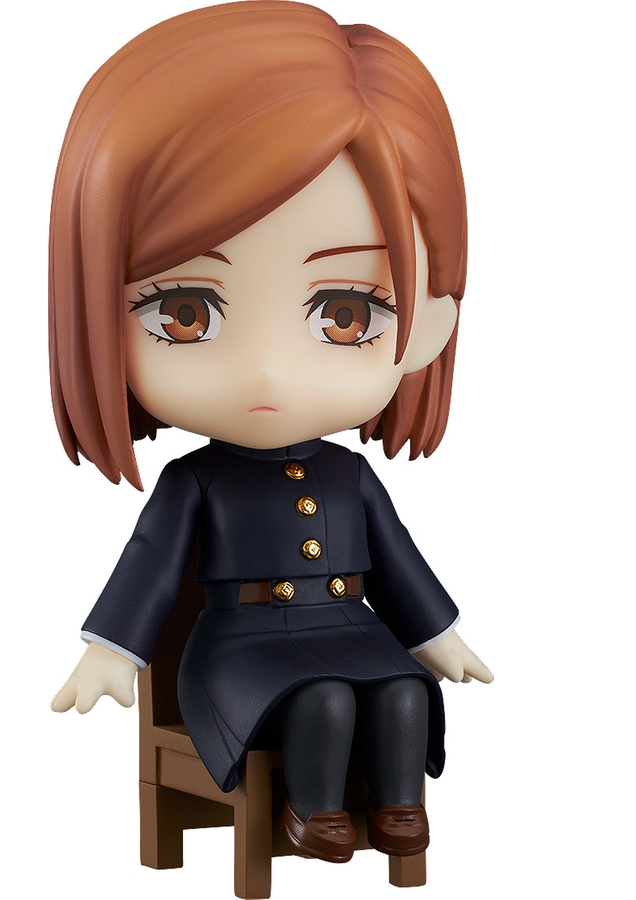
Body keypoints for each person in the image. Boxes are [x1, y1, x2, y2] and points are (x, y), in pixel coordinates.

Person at [49, 1, 492, 864]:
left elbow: (398, 563)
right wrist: (111, 651)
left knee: (404, 692)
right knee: (323, 699)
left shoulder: (352, 478)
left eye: (344, 313)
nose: (264, 372)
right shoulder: (195, 483)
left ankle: (400, 811)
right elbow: (149, 567)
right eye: (184, 312)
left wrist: (439, 636)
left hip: (354, 629)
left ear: (430, 325)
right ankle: (312, 817)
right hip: (240, 652)